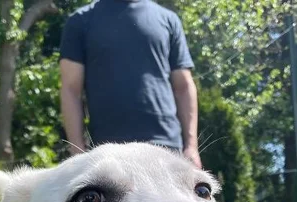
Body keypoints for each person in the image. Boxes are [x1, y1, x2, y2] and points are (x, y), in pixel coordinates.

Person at [59, 0, 201, 168]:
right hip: (108, 152)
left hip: (167, 147)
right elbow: (70, 90)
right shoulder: (81, 20)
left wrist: (191, 147)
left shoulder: (168, 19)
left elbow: (184, 87)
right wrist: (77, 152)